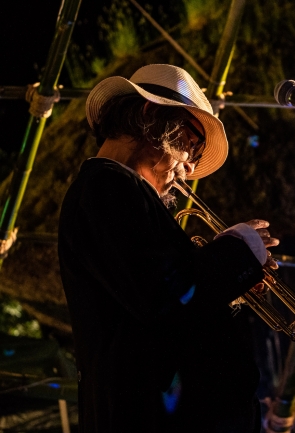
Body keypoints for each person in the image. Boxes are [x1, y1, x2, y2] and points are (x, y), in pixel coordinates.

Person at [58, 64, 279, 432]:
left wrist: (229, 286)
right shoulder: (106, 188)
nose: (190, 166)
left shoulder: (119, 192)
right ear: (151, 114)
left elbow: (169, 304)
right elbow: (165, 297)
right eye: (192, 142)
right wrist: (236, 252)